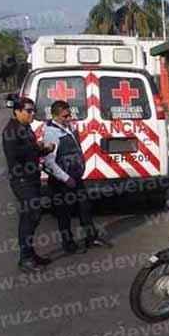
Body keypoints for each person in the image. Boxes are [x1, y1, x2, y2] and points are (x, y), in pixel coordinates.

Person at [2, 98, 54, 273]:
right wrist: (36, 148)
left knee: (35, 216)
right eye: (29, 111)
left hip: (32, 178)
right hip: (22, 180)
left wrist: (45, 149)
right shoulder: (11, 131)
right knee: (30, 217)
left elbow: (33, 150)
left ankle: (31, 254)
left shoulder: (25, 128)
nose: (32, 114)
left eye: (33, 111)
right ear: (17, 111)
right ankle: (25, 259)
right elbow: (14, 155)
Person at [43, 101, 101, 254]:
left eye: (69, 115)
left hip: (75, 177)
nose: (69, 118)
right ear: (55, 116)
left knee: (85, 208)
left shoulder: (68, 128)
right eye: (65, 116)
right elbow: (49, 162)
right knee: (64, 213)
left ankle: (91, 237)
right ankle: (68, 245)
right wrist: (65, 178)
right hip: (61, 181)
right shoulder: (51, 133)